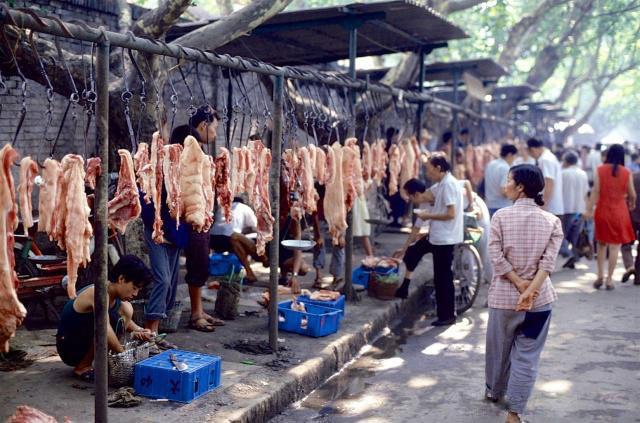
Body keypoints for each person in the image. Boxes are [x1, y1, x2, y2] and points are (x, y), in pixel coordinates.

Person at [485, 164, 563, 423]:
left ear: (520, 187)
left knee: (499, 350)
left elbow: (495, 257)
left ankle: (495, 392)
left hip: (504, 300)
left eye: (508, 181)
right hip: (539, 303)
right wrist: (530, 291)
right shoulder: (552, 221)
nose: (504, 185)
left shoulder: (500, 217)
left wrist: (519, 285)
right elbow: (547, 265)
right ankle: (515, 413)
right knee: (527, 357)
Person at [169, 105, 225, 333]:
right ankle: (195, 314)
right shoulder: (187, 141)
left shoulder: (197, 146)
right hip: (191, 214)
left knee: (201, 263)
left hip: (200, 212)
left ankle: (199, 311)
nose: (215, 134)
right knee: (197, 263)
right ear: (203, 125)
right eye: (214, 128)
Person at [56, 255, 154, 381]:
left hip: (82, 340)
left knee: (126, 309)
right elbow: (105, 328)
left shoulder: (113, 295)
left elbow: (123, 319)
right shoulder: (99, 292)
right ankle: (82, 367)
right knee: (104, 327)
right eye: (134, 288)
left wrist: (139, 330)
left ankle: (108, 361)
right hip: (69, 347)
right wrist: (124, 355)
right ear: (121, 279)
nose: (135, 294)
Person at [393, 154, 463, 326]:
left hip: (445, 239)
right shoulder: (441, 185)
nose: (427, 171)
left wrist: (427, 215)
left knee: (443, 278)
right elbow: (426, 197)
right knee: (415, 252)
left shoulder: (447, 185)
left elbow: (451, 214)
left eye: (428, 168)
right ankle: (407, 286)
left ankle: (447, 316)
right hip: (437, 236)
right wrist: (405, 246)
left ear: (438, 168)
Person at [585, 144, 637, 290]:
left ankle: (599, 276)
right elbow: (632, 194)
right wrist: (631, 203)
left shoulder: (600, 170)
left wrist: (589, 210)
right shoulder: (627, 172)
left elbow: (595, 192)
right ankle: (609, 280)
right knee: (615, 248)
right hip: (619, 212)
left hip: (603, 211)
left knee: (601, 245)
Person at [210, 196, 265, 283]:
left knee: (236, 239)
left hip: (213, 239)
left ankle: (251, 271)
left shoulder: (223, 207)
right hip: (230, 238)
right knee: (236, 238)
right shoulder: (245, 208)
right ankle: (262, 261)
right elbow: (255, 227)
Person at [560, 151, 589, 269]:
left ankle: (569, 254)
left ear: (566, 161)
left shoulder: (563, 173)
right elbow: (586, 192)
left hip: (566, 208)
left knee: (563, 234)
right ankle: (574, 256)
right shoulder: (583, 174)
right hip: (580, 208)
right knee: (575, 235)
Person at [527, 138, 564, 217]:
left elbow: (549, 182)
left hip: (549, 208)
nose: (532, 156)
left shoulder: (545, 160)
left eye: (530, 153)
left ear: (532, 149)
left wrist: (543, 204)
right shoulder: (549, 157)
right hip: (552, 207)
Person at [485, 144, 518, 216]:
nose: (514, 159)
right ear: (510, 155)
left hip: (490, 204)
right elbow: (504, 191)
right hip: (502, 206)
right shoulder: (505, 168)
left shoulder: (491, 164)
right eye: (514, 156)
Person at [620, 168, 640, 284]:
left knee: (626, 243)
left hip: (631, 214)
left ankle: (629, 266)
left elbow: (626, 195)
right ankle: (638, 277)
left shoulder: (633, 176)